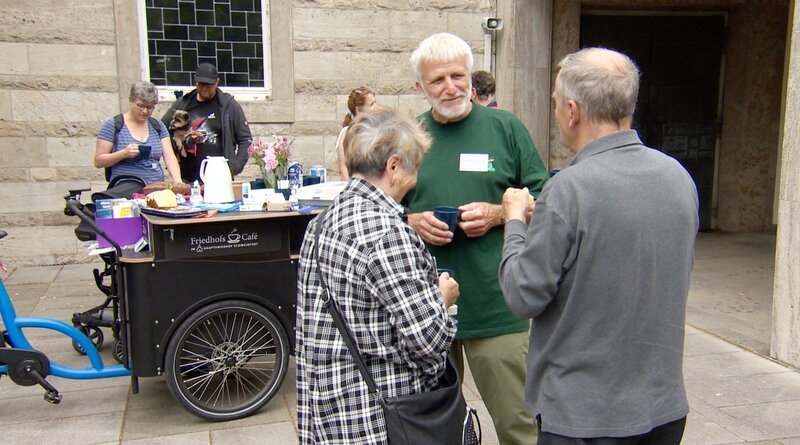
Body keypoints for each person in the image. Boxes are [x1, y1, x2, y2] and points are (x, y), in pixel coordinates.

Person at [499, 47, 699, 444]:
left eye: (556, 103)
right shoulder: (678, 176)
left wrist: (514, 222)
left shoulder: (569, 189)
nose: (557, 113)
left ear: (572, 111)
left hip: (583, 417)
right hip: (663, 409)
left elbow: (522, 296)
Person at [404, 32, 547, 445]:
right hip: (426, 308)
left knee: (520, 427)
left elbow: (546, 199)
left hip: (497, 303)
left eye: (458, 76)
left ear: (471, 77)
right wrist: (411, 221)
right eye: (437, 80)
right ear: (420, 87)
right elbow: (381, 207)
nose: (450, 87)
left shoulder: (505, 128)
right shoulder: (409, 137)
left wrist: (499, 213)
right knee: (431, 431)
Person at [296, 107, 460, 444]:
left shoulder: (321, 222)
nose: (416, 179)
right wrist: (441, 299)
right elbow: (428, 340)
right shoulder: (387, 233)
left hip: (327, 411)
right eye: (415, 167)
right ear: (393, 166)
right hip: (378, 416)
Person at [161, 63, 252, 183]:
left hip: (219, 177)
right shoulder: (183, 104)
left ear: (217, 82)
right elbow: (161, 130)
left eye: (208, 85)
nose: (204, 88)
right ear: (195, 81)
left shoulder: (228, 106)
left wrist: (236, 165)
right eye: (201, 84)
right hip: (186, 177)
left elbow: (245, 139)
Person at [94, 81, 182, 185]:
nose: (145, 111)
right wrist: (123, 154)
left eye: (150, 107)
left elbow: (170, 158)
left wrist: (178, 182)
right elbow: (98, 161)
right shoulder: (113, 125)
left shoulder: (158, 126)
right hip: (125, 187)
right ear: (130, 101)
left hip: (155, 186)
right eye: (140, 106)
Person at [336, 86, 377, 178]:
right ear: (358, 109)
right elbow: (344, 171)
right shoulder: (347, 133)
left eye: (375, 102)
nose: (376, 107)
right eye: (371, 104)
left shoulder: (375, 130)